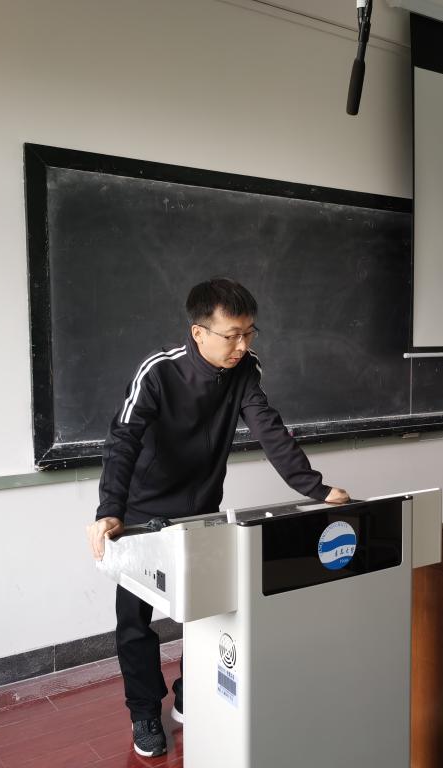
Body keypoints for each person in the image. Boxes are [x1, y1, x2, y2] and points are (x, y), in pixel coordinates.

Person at [85, 278, 349, 758]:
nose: (242, 345)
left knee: (205, 609)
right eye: (232, 335)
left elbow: (269, 429)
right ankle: (145, 712)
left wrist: (316, 488)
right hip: (141, 512)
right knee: (134, 620)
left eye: (249, 333)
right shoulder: (158, 373)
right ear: (199, 332)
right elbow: (122, 440)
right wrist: (110, 511)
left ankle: (191, 693)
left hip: (201, 509)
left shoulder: (246, 369)